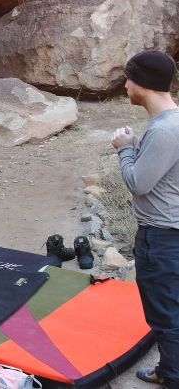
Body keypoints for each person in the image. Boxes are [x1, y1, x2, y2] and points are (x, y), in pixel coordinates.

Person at [111, 50, 179, 389]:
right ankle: (169, 369)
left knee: (165, 315)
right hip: (169, 233)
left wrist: (124, 147)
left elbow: (138, 183)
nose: (125, 85)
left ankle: (172, 376)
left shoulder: (165, 130)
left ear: (142, 83)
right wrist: (137, 144)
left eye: (128, 78)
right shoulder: (169, 123)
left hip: (162, 237)